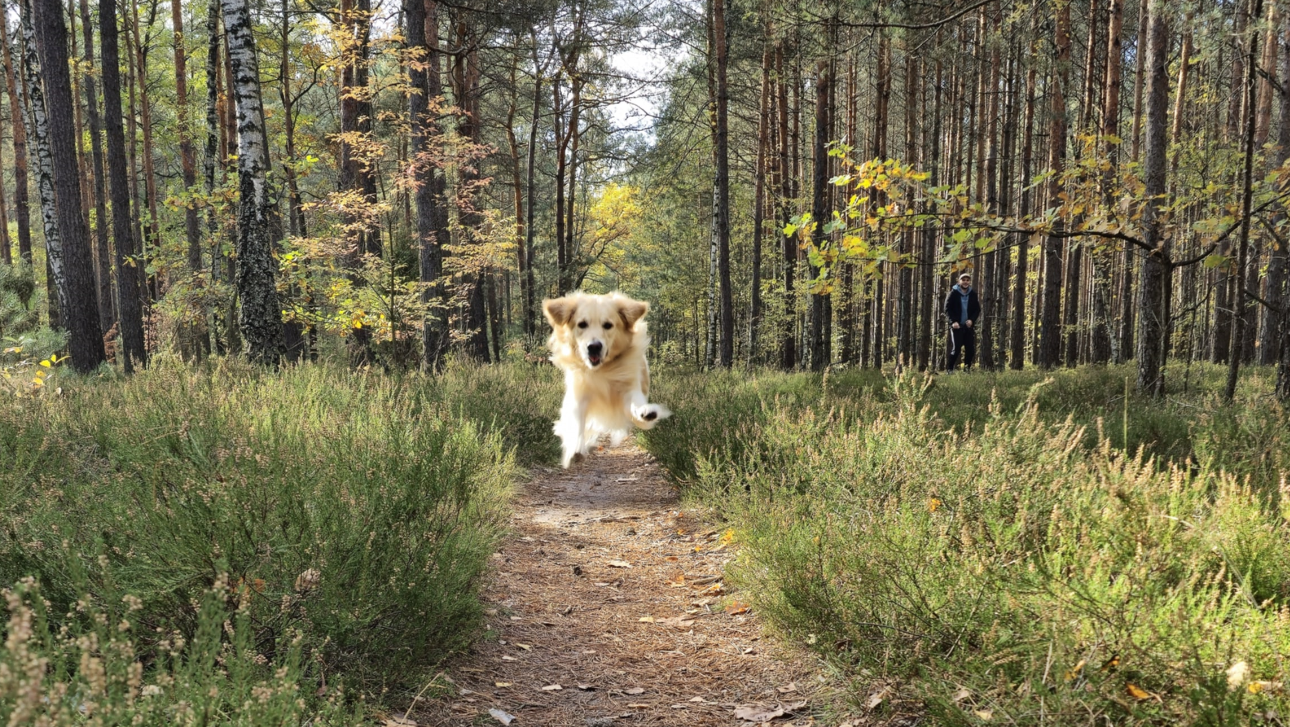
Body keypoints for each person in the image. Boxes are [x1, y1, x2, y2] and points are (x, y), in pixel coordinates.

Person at [944, 272, 981, 371]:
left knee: (970, 350)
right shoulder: (953, 293)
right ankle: (949, 370)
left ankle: (966, 370)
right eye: (963, 280)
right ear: (959, 281)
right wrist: (953, 321)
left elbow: (977, 309)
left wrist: (971, 320)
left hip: (968, 327)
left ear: (969, 282)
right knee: (956, 350)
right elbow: (947, 309)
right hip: (957, 327)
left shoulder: (973, 294)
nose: (965, 282)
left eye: (967, 280)